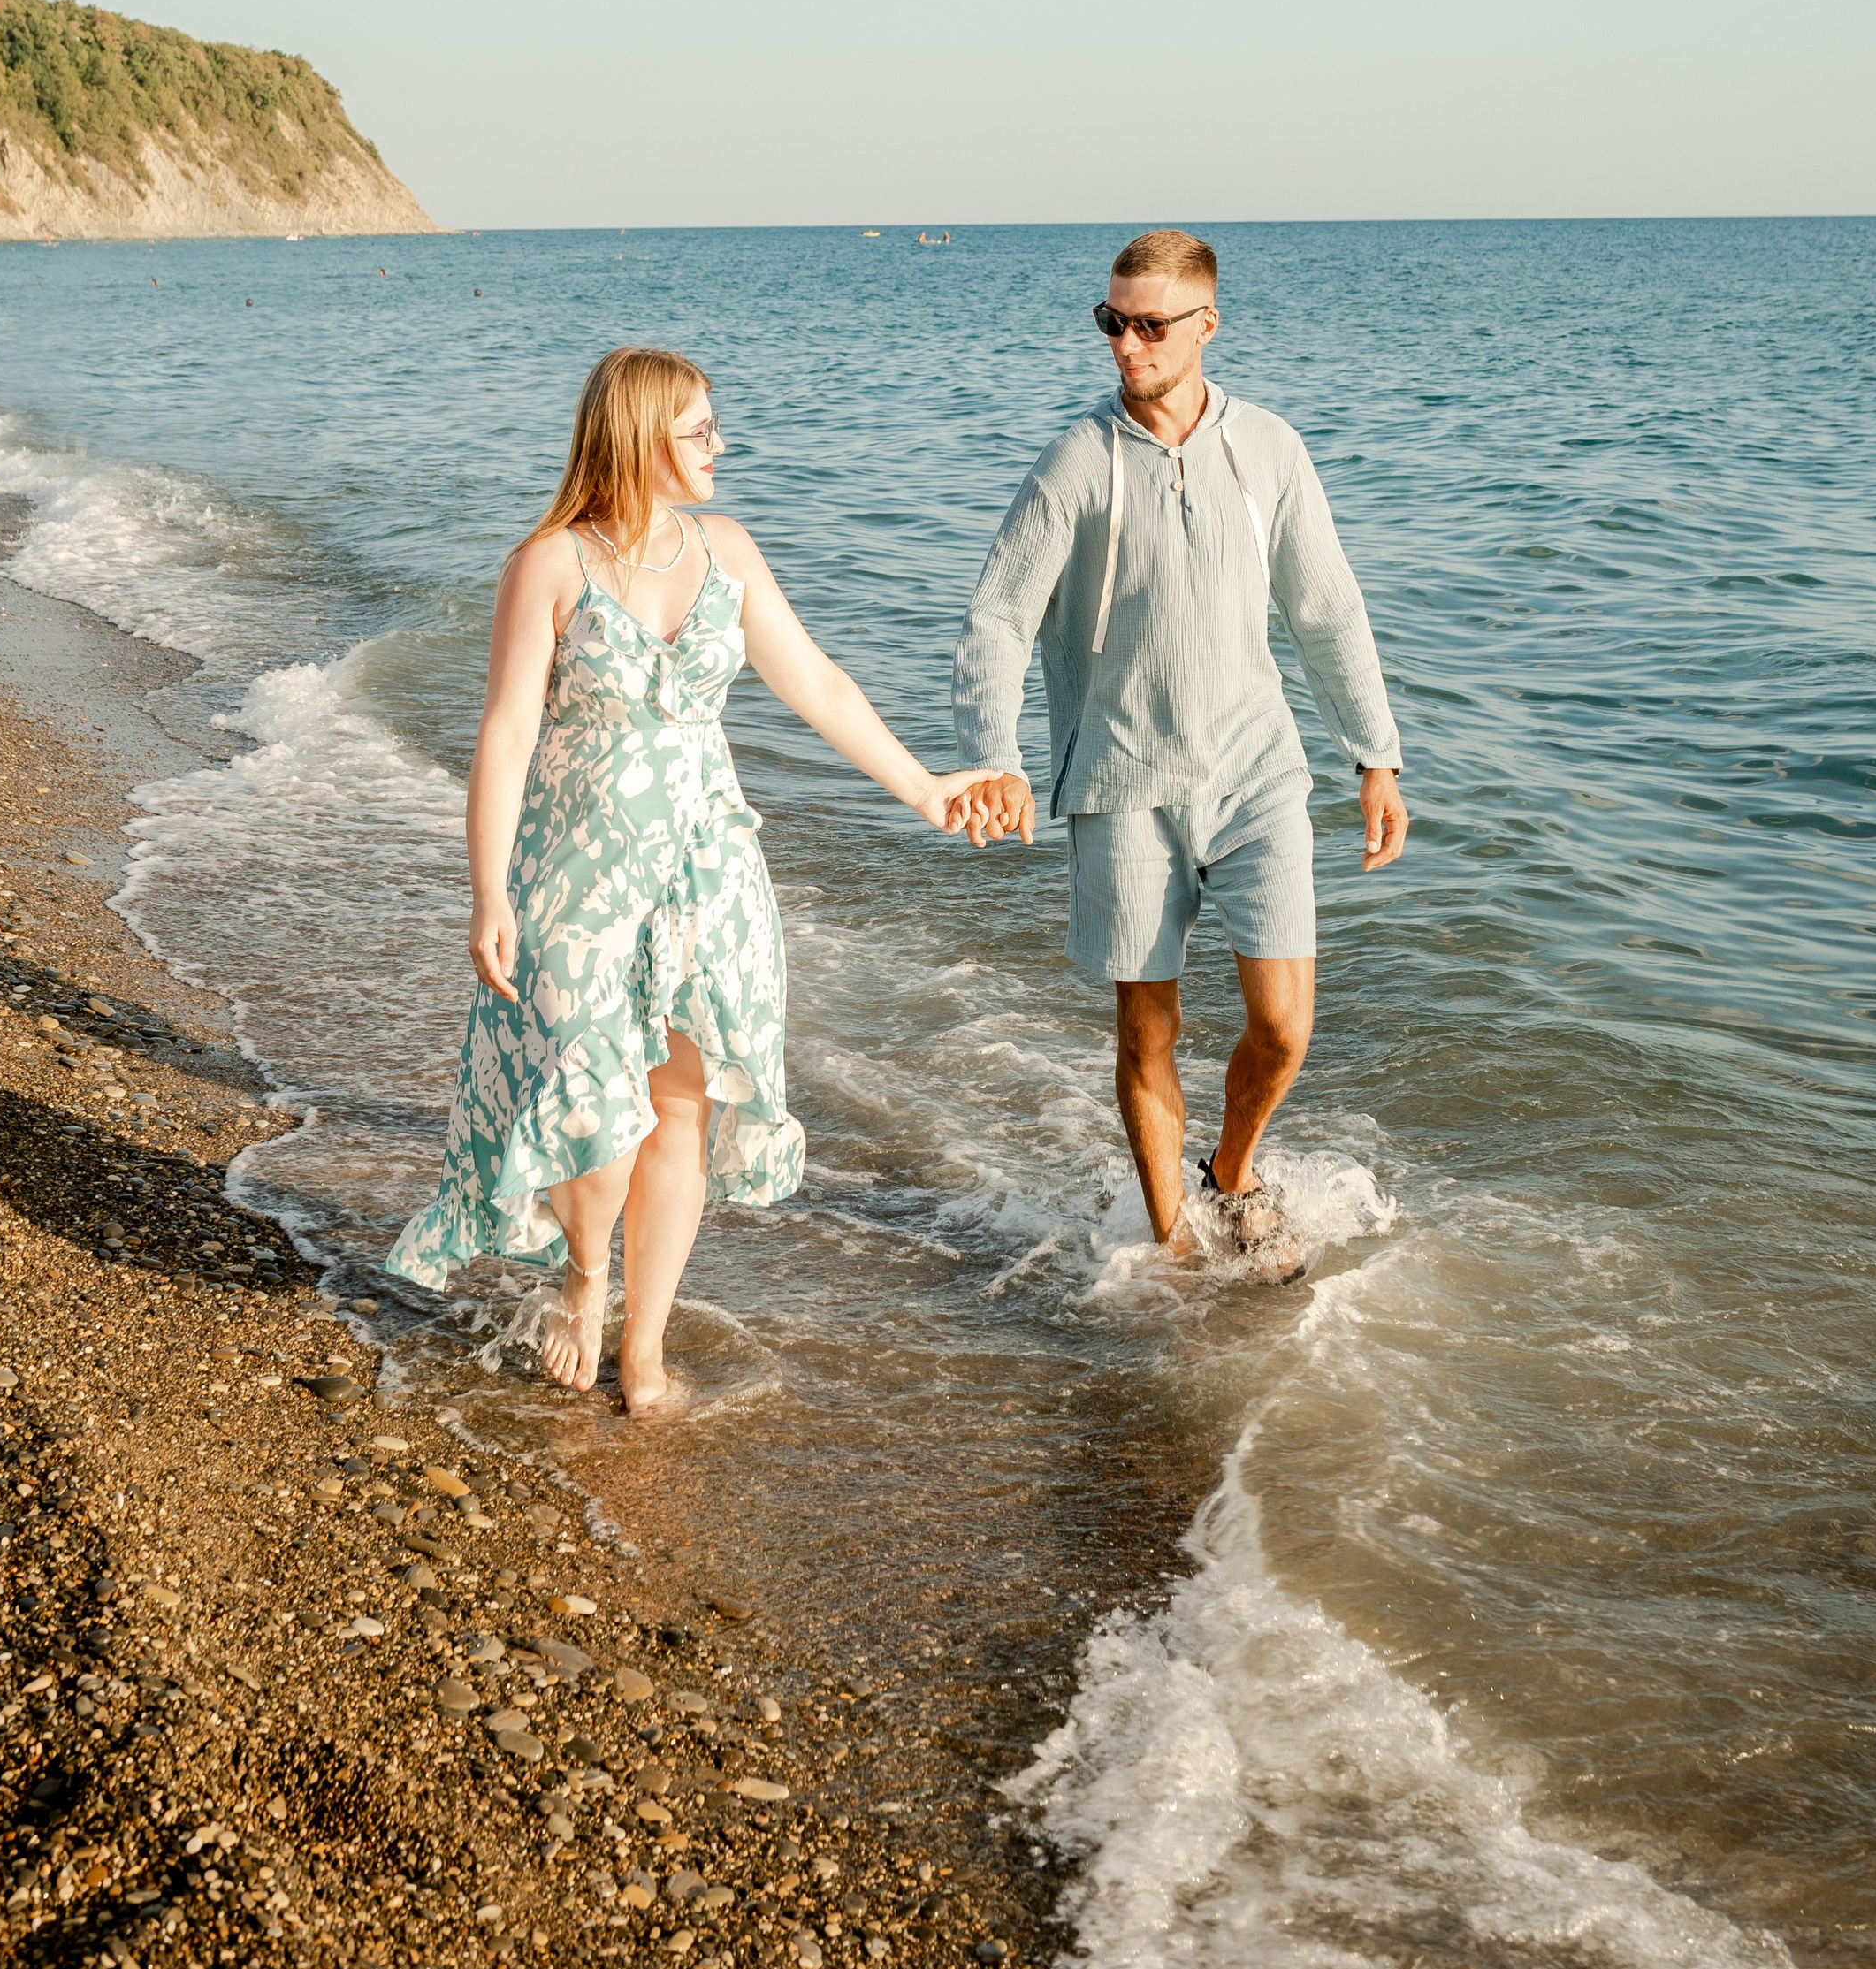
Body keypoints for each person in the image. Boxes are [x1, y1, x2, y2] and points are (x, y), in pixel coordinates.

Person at [385, 346, 1010, 1414]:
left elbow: (814, 679)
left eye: (716, 425)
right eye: (699, 429)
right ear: (639, 437)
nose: (721, 446)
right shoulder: (549, 564)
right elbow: (504, 733)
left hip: (710, 872)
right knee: (591, 1102)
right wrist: (487, 892)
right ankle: (587, 1280)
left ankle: (644, 1343)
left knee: (679, 1107)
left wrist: (925, 789)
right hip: (576, 877)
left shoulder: (726, 552)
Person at [954, 231, 1407, 1281]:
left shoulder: (1269, 449)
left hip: (1258, 777)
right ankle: (1175, 1258)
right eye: (1112, 321)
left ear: (1207, 324)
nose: (1127, 344)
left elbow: (1326, 610)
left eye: (1150, 324)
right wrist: (994, 754)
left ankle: (1231, 1176)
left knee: (1283, 1028)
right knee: (1144, 1034)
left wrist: (1375, 756)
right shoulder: (1077, 459)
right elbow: (996, 620)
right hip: (1121, 786)